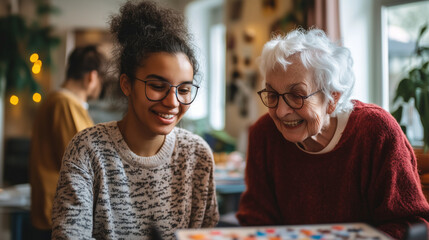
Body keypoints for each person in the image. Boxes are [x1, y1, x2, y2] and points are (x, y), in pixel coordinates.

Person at [236, 28, 429, 239]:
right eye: (272, 95)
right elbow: (256, 222)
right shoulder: (263, 134)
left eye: (296, 95)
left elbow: (410, 224)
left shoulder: (377, 131)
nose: (281, 111)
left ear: (332, 99)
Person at [51, 1, 219, 239]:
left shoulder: (197, 155)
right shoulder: (88, 150)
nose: (172, 102)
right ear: (126, 85)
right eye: (158, 86)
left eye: (184, 89)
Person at [29, 45, 106, 239]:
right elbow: (85, 161)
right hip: (59, 213)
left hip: (54, 210)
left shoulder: (58, 101)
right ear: (92, 77)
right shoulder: (65, 104)